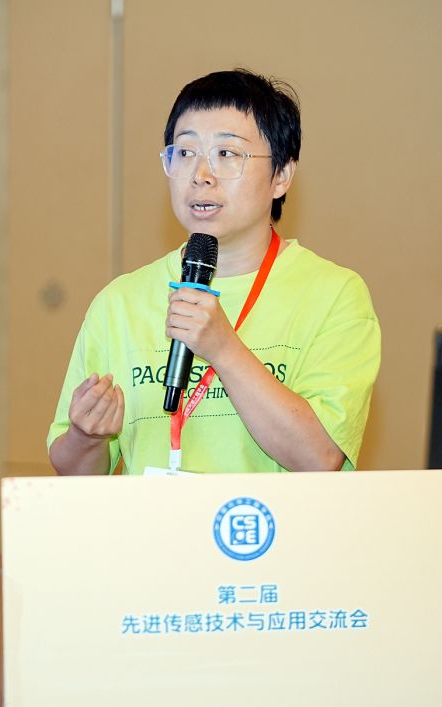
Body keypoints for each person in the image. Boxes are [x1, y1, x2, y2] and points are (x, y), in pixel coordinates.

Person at [47, 69, 380, 477]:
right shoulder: (120, 302)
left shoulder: (334, 295)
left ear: (281, 175)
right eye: (185, 152)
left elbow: (321, 458)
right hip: (155, 520)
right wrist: (87, 437)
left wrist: (222, 348)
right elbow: (73, 474)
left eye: (226, 153)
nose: (200, 174)